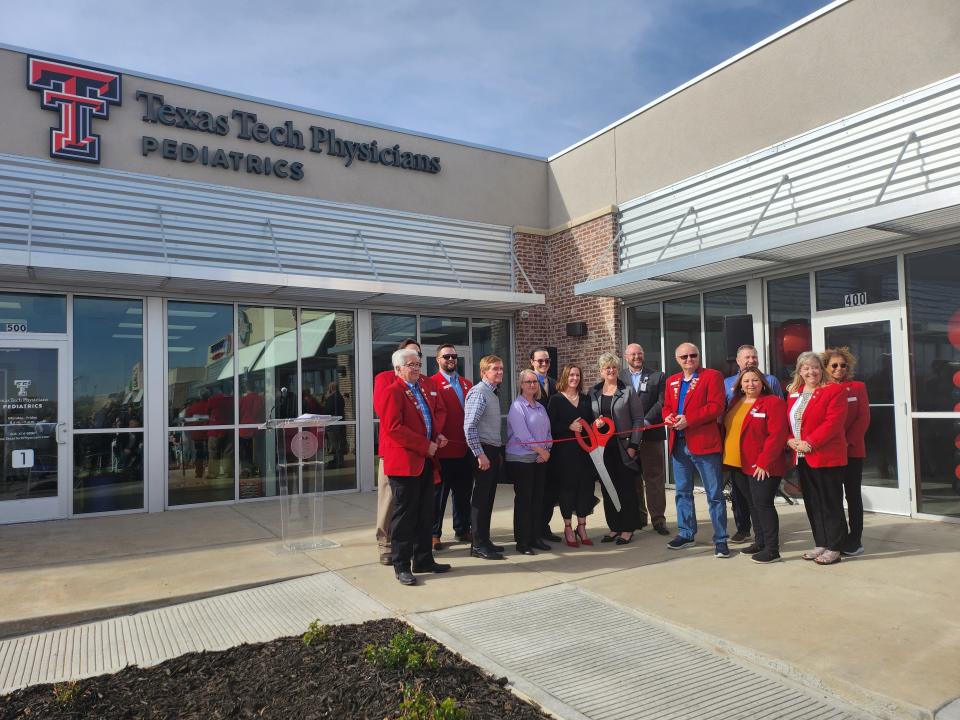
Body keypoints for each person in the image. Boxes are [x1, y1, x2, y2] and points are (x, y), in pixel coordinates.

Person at [380, 347, 450, 586]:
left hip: (425, 462)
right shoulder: (393, 392)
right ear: (398, 369)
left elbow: (427, 421)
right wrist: (424, 445)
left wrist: (436, 437)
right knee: (405, 517)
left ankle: (423, 559)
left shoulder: (421, 389)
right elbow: (394, 428)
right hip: (405, 464)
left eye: (418, 364)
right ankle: (401, 565)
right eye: (411, 365)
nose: (416, 368)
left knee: (425, 514)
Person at [663, 342, 730, 557]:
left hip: (704, 443)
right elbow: (666, 405)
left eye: (693, 355)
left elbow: (716, 406)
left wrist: (689, 420)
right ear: (677, 360)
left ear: (698, 356)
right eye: (684, 357)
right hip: (679, 445)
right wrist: (668, 416)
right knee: (682, 492)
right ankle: (686, 533)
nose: (689, 360)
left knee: (714, 494)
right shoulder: (672, 380)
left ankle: (720, 539)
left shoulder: (712, 376)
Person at [786, 351, 849, 565]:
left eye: (814, 367)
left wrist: (810, 442)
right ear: (799, 371)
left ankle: (835, 547)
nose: (810, 371)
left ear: (821, 369)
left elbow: (833, 423)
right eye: (805, 368)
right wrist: (789, 440)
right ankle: (821, 543)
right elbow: (789, 422)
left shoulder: (833, 391)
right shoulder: (795, 393)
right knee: (813, 503)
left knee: (830, 503)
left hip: (826, 455)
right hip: (802, 456)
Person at [721, 368, 788, 563]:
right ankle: (760, 542)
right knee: (752, 504)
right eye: (747, 381)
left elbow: (777, 435)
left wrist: (765, 461)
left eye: (755, 380)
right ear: (740, 384)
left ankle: (772, 549)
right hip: (737, 463)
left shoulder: (772, 402)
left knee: (763, 504)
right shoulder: (735, 402)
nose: (751, 384)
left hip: (762, 464)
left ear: (763, 383)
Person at [373, 338, 425, 566]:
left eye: (418, 359)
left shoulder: (422, 383)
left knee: (414, 503)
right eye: (409, 358)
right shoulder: (385, 380)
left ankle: (413, 545)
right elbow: (387, 416)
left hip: (420, 451)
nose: (414, 364)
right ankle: (386, 545)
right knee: (389, 500)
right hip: (394, 451)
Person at [587, 353, 644, 544]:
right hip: (602, 449)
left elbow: (638, 420)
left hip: (624, 446)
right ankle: (614, 527)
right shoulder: (593, 391)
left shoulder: (627, 391)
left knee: (626, 488)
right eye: (606, 368)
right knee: (607, 488)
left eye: (613, 367)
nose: (610, 371)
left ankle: (628, 528)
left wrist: (634, 445)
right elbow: (589, 418)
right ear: (601, 371)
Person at [823, 346, 870, 557]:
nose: (839, 368)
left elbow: (863, 419)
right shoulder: (821, 389)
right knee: (833, 497)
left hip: (851, 451)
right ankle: (838, 537)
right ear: (826, 367)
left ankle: (855, 539)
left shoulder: (857, 387)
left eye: (843, 365)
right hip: (830, 452)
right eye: (834, 365)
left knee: (852, 495)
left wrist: (846, 442)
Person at [620, 343, 669, 535]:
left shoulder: (658, 376)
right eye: (633, 354)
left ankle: (658, 519)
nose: (637, 357)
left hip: (651, 434)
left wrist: (646, 420)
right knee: (633, 479)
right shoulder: (619, 377)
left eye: (639, 353)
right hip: (627, 437)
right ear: (626, 356)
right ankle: (640, 517)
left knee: (654, 478)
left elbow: (661, 401)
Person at [548, 365, 597, 547]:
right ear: (564, 377)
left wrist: (595, 424)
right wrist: (568, 427)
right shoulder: (556, 400)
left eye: (577, 375)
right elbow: (550, 427)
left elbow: (591, 423)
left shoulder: (585, 399)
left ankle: (582, 527)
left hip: (585, 453)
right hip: (564, 455)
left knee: (585, 489)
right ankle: (568, 527)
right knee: (567, 490)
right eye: (571, 375)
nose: (574, 378)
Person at [430, 344, 474, 550]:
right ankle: (434, 533)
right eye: (446, 356)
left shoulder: (467, 384)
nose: (451, 359)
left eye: (454, 356)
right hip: (443, 450)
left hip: (465, 449)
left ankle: (462, 528)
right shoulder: (431, 384)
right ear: (437, 359)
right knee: (439, 495)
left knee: (464, 493)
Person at [463, 354, 507, 560]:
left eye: (501, 368)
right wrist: (480, 454)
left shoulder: (493, 393)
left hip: (492, 450)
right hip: (482, 452)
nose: (499, 372)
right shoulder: (479, 393)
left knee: (488, 498)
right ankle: (478, 545)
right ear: (483, 372)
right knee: (480, 499)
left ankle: (485, 540)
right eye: (494, 369)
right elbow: (469, 427)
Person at [506, 369, 553, 555]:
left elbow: (548, 433)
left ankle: (535, 537)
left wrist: (546, 451)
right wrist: (541, 450)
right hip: (521, 460)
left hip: (540, 459)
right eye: (527, 382)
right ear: (521, 385)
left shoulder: (540, 407)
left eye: (534, 381)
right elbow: (522, 435)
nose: (532, 385)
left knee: (537, 500)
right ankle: (522, 541)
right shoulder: (517, 406)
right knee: (524, 501)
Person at [530, 347, 562, 543]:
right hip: (535, 448)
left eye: (547, 361)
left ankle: (544, 526)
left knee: (550, 490)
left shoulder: (554, 383)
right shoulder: (528, 383)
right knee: (535, 491)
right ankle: (533, 529)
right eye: (540, 361)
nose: (543, 364)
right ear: (532, 362)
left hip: (553, 445)